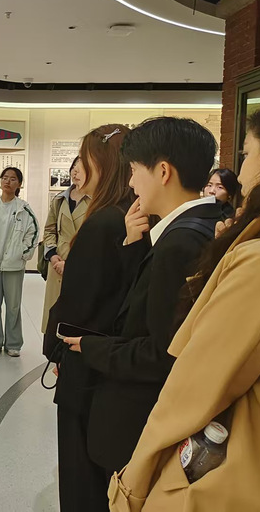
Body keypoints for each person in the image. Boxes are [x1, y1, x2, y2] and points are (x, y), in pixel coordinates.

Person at [109, 93, 260, 511]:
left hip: (252, 480)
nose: (241, 171)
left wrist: (129, 493)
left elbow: (191, 392)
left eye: (247, 153)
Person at [61, 117, 221, 478]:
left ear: (162, 171)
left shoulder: (179, 243)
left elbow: (162, 352)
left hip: (139, 413)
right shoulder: (207, 223)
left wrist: (92, 347)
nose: (131, 182)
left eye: (134, 170)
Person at [42, 124, 134, 512]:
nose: (79, 168)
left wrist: (55, 349)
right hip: (113, 360)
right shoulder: (131, 214)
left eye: (85, 158)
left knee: (81, 471)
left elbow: (79, 302)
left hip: (86, 358)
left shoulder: (104, 221)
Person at [0, 167, 39, 357]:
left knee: (13, 306)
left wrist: (23, 253)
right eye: (4, 178)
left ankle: (13, 343)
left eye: (12, 179)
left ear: (19, 184)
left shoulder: (24, 209)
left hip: (14, 265)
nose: (7, 182)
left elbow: (33, 233)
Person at [41, 156, 90, 332]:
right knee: (54, 314)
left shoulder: (96, 201)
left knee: (76, 318)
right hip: (57, 263)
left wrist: (70, 264)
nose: (75, 172)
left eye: (80, 168)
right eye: (73, 167)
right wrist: (53, 256)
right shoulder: (60, 199)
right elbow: (49, 230)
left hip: (82, 263)